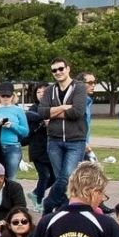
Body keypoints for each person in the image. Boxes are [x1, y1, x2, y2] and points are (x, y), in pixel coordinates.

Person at [39, 59, 90, 211]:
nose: (58, 72)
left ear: (68, 69)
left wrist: (53, 112)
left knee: (67, 177)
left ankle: (48, 204)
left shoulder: (79, 88)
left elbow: (77, 112)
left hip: (75, 141)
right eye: (54, 70)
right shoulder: (49, 90)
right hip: (54, 140)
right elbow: (42, 112)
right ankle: (64, 209)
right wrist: (62, 107)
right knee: (61, 179)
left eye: (61, 69)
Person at [0, 82, 31, 181]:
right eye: (3, 95)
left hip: (12, 147)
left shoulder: (18, 110)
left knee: (11, 178)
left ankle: (9, 196)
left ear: (13, 96)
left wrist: (12, 125)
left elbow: (25, 132)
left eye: (8, 95)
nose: (5, 98)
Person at [26, 84, 57, 206]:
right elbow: (29, 118)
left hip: (51, 148)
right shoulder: (34, 109)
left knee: (54, 177)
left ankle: (35, 193)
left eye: (43, 92)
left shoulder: (54, 108)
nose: (41, 94)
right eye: (38, 92)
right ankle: (38, 201)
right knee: (45, 175)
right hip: (37, 148)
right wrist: (42, 120)